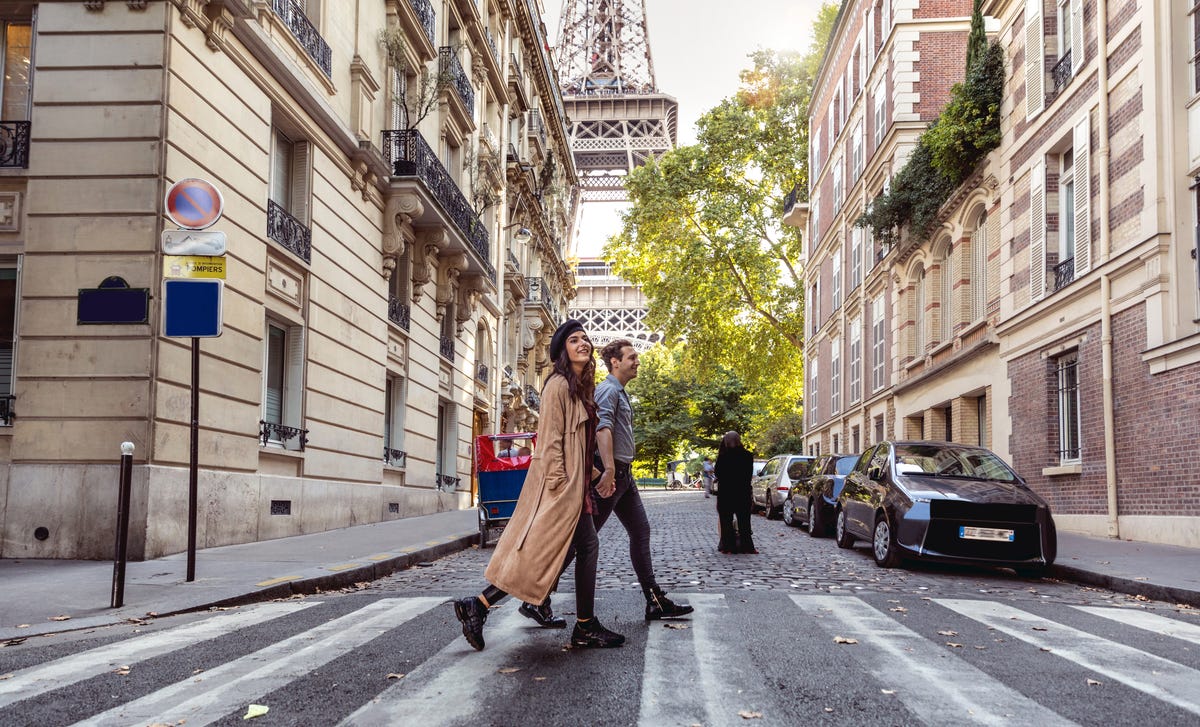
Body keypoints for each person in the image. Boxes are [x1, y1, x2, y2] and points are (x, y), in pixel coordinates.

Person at [453, 320, 625, 651]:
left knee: (555, 552)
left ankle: (481, 604)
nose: (583, 343)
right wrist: (563, 486)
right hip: (560, 488)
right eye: (574, 340)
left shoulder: (578, 387)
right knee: (567, 549)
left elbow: (576, 446)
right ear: (563, 350)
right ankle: (583, 625)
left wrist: (595, 476)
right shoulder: (558, 386)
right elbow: (550, 443)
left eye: (585, 339)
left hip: (574, 486)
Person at [537, 338, 692, 620]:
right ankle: (539, 596)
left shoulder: (619, 391)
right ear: (615, 362)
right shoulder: (608, 390)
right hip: (612, 475)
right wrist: (608, 471)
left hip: (624, 476)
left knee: (640, 531)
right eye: (631, 357)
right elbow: (602, 428)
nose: (637, 361)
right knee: (581, 543)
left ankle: (654, 598)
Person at [714, 431, 756, 554]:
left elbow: (718, 473)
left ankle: (728, 547)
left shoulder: (723, 456)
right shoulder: (747, 456)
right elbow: (748, 475)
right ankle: (747, 546)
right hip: (742, 493)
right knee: (744, 521)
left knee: (726, 521)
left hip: (726, 494)